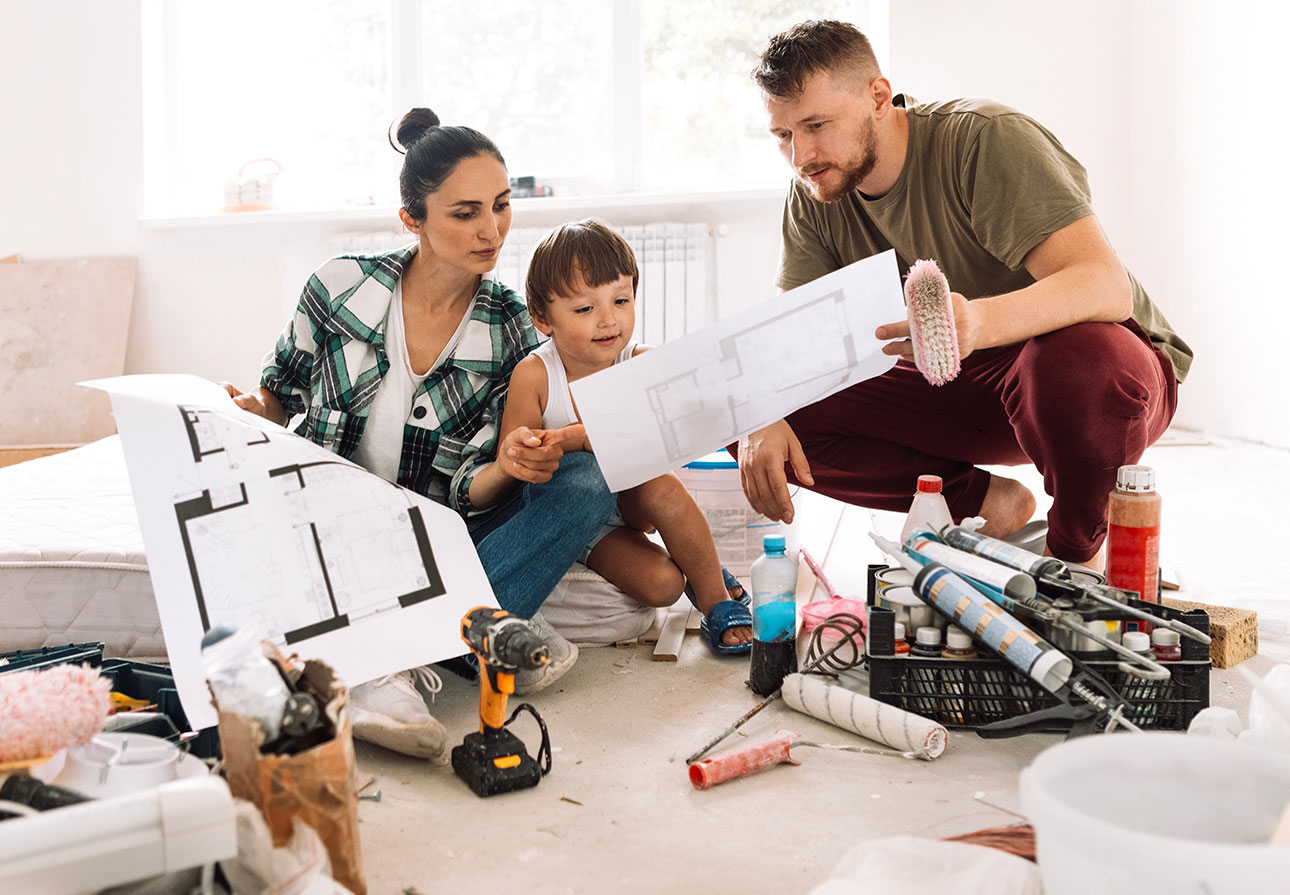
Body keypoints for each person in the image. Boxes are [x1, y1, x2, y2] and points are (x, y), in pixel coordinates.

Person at [222, 108, 616, 760]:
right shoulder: (339, 287)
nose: (492, 230)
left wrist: (513, 465)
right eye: (465, 213)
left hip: (437, 536)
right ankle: (441, 649)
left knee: (589, 479)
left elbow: (473, 488)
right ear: (413, 218)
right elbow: (278, 391)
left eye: (501, 205)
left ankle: (401, 653)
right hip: (332, 522)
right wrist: (243, 409)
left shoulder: (511, 326)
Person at [735, 20, 1191, 569]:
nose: (801, 155)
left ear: (878, 96)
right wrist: (759, 409)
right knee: (742, 417)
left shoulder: (983, 139)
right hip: (960, 387)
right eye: (783, 135)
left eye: (816, 125)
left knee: (1076, 361)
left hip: (1086, 379)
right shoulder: (814, 190)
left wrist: (976, 323)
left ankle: (1074, 555)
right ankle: (978, 503)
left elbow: (1104, 284)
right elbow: (796, 339)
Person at [503, 219, 752, 653]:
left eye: (622, 300)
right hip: (578, 522)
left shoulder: (638, 361)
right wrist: (531, 449)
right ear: (543, 318)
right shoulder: (536, 375)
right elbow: (515, 465)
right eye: (585, 309)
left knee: (663, 488)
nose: (609, 320)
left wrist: (576, 437)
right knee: (663, 586)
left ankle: (713, 598)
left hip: (635, 502)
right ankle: (695, 568)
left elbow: (648, 426)